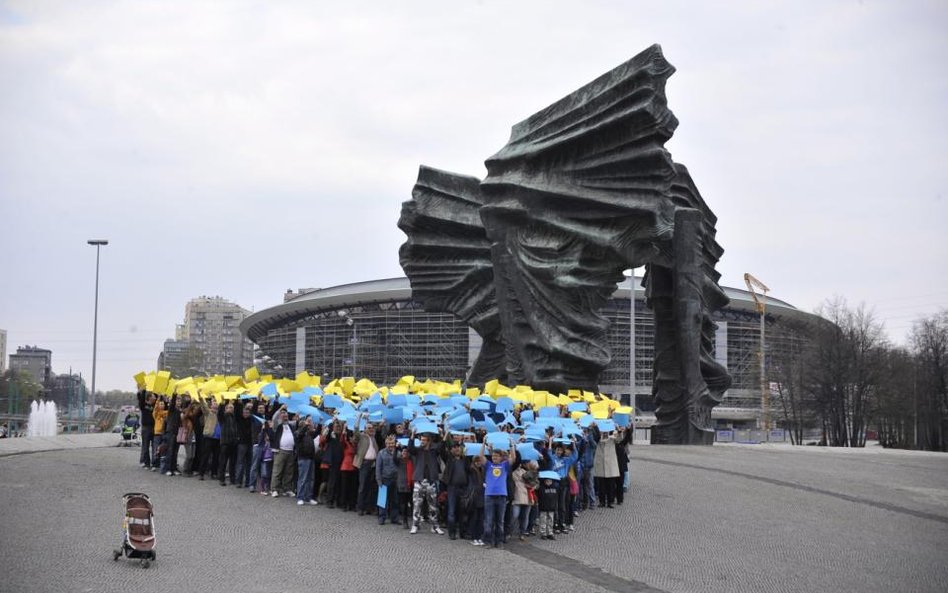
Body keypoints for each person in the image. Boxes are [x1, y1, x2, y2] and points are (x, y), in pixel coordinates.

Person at [407, 428, 444, 535]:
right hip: (419, 480)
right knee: (417, 505)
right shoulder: (418, 450)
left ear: (429, 441)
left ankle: (435, 526)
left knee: (433, 506)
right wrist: (412, 435)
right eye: (421, 440)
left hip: (431, 481)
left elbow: (442, 446)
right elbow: (410, 448)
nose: (421, 442)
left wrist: (441, 434)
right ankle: (415, 525)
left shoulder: (434, 450)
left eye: (424, 440)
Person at [546, 436, 578, 533]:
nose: (559, 452)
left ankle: (562, 523)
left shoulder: (566, 460)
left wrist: (573, 443)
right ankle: (555, 524)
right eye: (557, 450)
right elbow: (548, 452)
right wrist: (551, 441)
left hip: (563, 482)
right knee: (555, 504)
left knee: (562, 504)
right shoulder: (552, 458)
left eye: (560, 450)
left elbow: (575, 456)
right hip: (555, 482)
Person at [440, 439, 469, 540]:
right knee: (451, 511)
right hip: (452, 487)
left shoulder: (465, 460)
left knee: (463, 512)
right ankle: (451, 532)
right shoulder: (449, 459)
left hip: (463, 488)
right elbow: (441, 450)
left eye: (458, 447)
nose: (457, 449)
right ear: (451, 450)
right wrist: (445, 437)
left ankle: (463, 532)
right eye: (454, 447)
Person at [352, 419, 383, 516]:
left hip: (373, 464)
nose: (371, 429)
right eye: (369, 428)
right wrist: (358, 419)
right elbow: (356, 432)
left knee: (371, 487)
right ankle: (360, 508)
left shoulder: (373, 438)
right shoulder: (361, 436)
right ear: (364, 429)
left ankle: (369, 507)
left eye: (372, 428)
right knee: (362, 487)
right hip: (364, 463)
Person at [270, 405, 297, 497]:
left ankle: (287, 489)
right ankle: (274, 489)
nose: (284, 415)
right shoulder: (277, 425)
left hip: (290, 451)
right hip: (280, 451)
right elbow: (274, 418)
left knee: (289, 472)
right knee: (277, 471)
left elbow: (298, 421)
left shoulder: (290, 425)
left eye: (285, 413)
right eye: (282, 414)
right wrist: (280, 409)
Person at [375, 434, 400, 525]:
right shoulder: (381, 453)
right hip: (385, 479)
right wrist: (378, 480)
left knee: (395, 500)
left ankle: (394, 518)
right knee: (382, 500)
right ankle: (382, 518)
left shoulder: (398, 452)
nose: (391, 445)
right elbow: (378, 467)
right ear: (386, 444)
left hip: (395, 479)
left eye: (392, 443)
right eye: (389, 443)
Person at [592, 423, 619, 508]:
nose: (604, 433)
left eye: (605, 432)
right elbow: (595, 438)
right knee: (601, 485)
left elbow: (619, 439)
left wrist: (619, 430)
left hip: (610, 465)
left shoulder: (612, 438)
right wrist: (595, 427)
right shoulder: (598, 438)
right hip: (601, 464)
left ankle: (610, 501)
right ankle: (602, 501)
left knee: (610, 485)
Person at [295, 415, 320, 506]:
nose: (308, 426)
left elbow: (317, 432)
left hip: (311, 458)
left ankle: (308, 497)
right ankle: (300, 497)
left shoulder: (309, 434)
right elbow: (300, 434)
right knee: (303, 478)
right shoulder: (298, 434)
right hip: (303, 458)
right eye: (305, 425)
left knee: (311, 479)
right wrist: (306, 424)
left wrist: (320, 423)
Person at [136, 391, 156, 468]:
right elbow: (140, 400)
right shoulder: (143, 405)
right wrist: (143, 390)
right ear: (149, 398)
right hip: (146, 428)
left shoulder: (155, 406)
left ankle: (154, 463)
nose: (154, 397)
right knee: (145, 446)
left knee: (154, 446)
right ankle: (147, 463)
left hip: (153, 427)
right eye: (153, 396)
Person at [537, 473, 559, 540]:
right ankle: (543, 533)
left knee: (551, 520)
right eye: (547, 481)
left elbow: (556, 498)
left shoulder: (555, 488)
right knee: (543, 520)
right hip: (543, 507)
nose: (548, 482)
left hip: (551, 507)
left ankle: (550, 532)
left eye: (550, 481)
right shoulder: (541, 488)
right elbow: (539, 497)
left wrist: (555, 506)